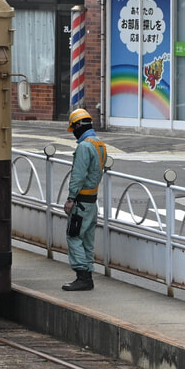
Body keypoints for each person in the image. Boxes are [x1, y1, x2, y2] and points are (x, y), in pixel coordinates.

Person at [62, 108, 108, 292]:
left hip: (80, 202)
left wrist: (71, 198)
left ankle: (82, 276)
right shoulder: (100, 145)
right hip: (92, 201)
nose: (73, 132)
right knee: (87, 239)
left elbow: (78, 175)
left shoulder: (84, 146)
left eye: (73, 128)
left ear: (78, 125)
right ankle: (87, 275)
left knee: (74, 236)